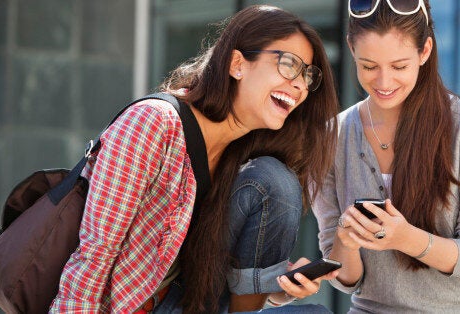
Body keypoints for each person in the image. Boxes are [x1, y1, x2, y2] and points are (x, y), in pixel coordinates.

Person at [50, 5, 339, 314]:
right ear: (237, 64)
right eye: (288, 64)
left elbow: (209, 270)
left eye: (307, 75)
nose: (299, 85)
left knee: (274, 181)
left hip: (190, 304)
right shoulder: (153, 122)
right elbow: (95, 254)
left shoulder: (241, 157)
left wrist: (280, 289)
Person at [312, 0, 460, 312]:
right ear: (351, 49)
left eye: (398, 66)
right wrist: (346, 239)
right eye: (368, 66)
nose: (383, 82)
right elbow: (345, 277)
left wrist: (406, 238)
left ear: (425, 51)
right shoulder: (332, 137)